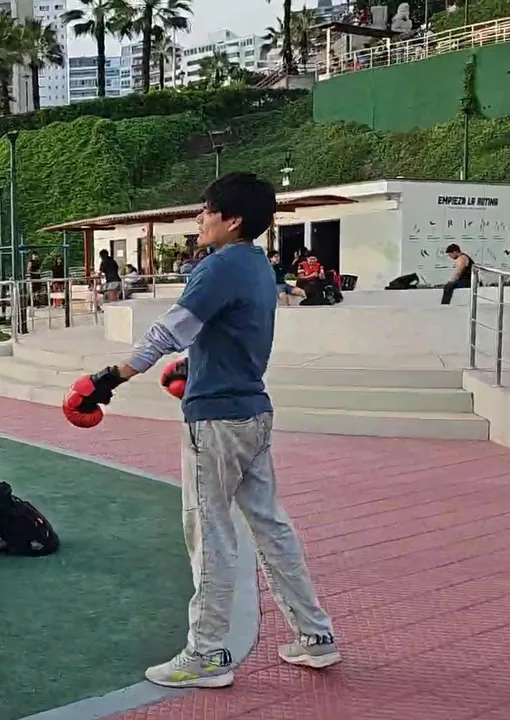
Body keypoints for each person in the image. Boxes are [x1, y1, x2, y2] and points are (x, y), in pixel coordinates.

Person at [65, 172, 340, 689]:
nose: (199, 218)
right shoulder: (258, 266)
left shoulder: (218, 267)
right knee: (270, 527)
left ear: (231, 220)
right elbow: (230, 332)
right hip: (253, 412)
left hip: (216, 421)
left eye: (207, 210)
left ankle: (207, 654)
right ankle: (315, 635)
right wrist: (197, 365)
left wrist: (107, 379)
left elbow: (167, 331)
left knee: (209, 533)